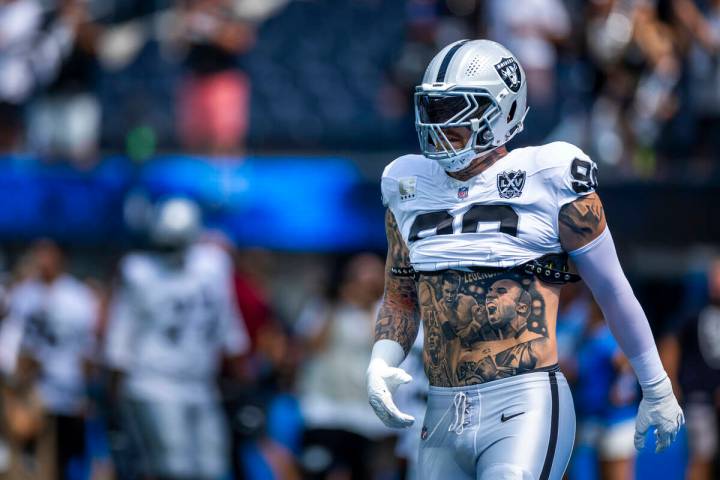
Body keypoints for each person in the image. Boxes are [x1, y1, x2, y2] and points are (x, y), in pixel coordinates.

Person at [365, 39, 684, 479]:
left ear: (502, 111)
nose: (440, 123)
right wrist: (381, 361)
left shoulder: (550, 174)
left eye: (455, 108)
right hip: (439, 410)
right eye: (433, 108)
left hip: (522, 402)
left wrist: (656, 385)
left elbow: (611, 288)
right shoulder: (406, 184)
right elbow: (401, 297)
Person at [104, 198, 250, 480]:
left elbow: (227, 323)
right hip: (152, 381)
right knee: (173, 464)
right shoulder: (139, 271)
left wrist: (243, 379)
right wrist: (114, 395)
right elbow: (120, 336)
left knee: (213, 466)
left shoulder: (213, 266)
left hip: (201, 384)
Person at [3, 240, 99, 480]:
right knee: (29, 461)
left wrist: (87, 392)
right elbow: (15, 343)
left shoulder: (78, 296)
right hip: (32, 393)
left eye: (48, 255)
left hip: (68, 390)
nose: (43, 261)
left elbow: (87, 348)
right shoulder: (24, 295)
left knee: (66, 459)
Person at [661, 257, 720, 480]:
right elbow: (669, 344)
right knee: (701, 456)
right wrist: (670, 385)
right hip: (699, 400)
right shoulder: (693, 314)